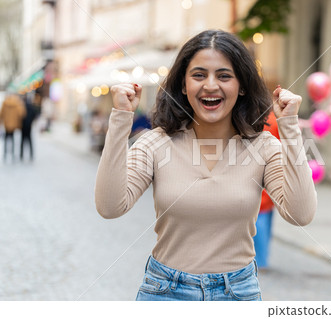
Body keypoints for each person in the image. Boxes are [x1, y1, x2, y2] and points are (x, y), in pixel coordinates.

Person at [95, 30, 317, 301]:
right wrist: (120, 119)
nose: (211, 85)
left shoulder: (264, 147)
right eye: (199, 75)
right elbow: (110, 206)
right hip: (165, 294)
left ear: (242, 85)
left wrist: (290, 127)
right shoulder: (155, 144)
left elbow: (300, 214)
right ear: (183, 85)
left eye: (224, 76)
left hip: (237, 294)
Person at [253, 111, 279, 270]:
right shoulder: (275, 120)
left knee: (259, 217)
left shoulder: (254, 120)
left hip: (258, 173)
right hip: (273, 174)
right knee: (267, 214)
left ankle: (260, 260)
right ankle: (262, 258)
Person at [0, 93, 26, 161]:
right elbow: (22, 114)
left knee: (6, 140)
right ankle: (13, 154)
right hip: (14, 125)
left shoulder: (5, 103)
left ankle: (5, 154)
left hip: (6, 124)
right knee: (13, 140)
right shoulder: (17, 103)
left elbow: (1, 114)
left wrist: (1, 122)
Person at [20, 94, 38, 161]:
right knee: (29, 140)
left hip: (23, 125)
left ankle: (21, 155)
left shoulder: (22, 106)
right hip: (29, 125)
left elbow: (20, 115)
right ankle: (31, 154)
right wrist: (31, 121)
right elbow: (34, 114)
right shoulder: (31, 106)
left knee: (22, 141)